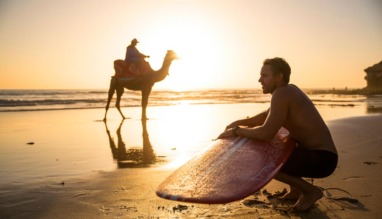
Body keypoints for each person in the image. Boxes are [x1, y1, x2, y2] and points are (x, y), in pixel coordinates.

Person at [218, 57, 338, 212]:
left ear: (279, 77)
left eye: (264, 76)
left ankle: (310, 191)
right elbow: (265, 116)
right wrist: (239, 122)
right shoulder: (287, 91)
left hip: (321, 160)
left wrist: (235, 132)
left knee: (266, 162)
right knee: (280, 145)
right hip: (322, 157)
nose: (259, 80)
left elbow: (265, 133)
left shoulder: (282, 93)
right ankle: (295, 190)